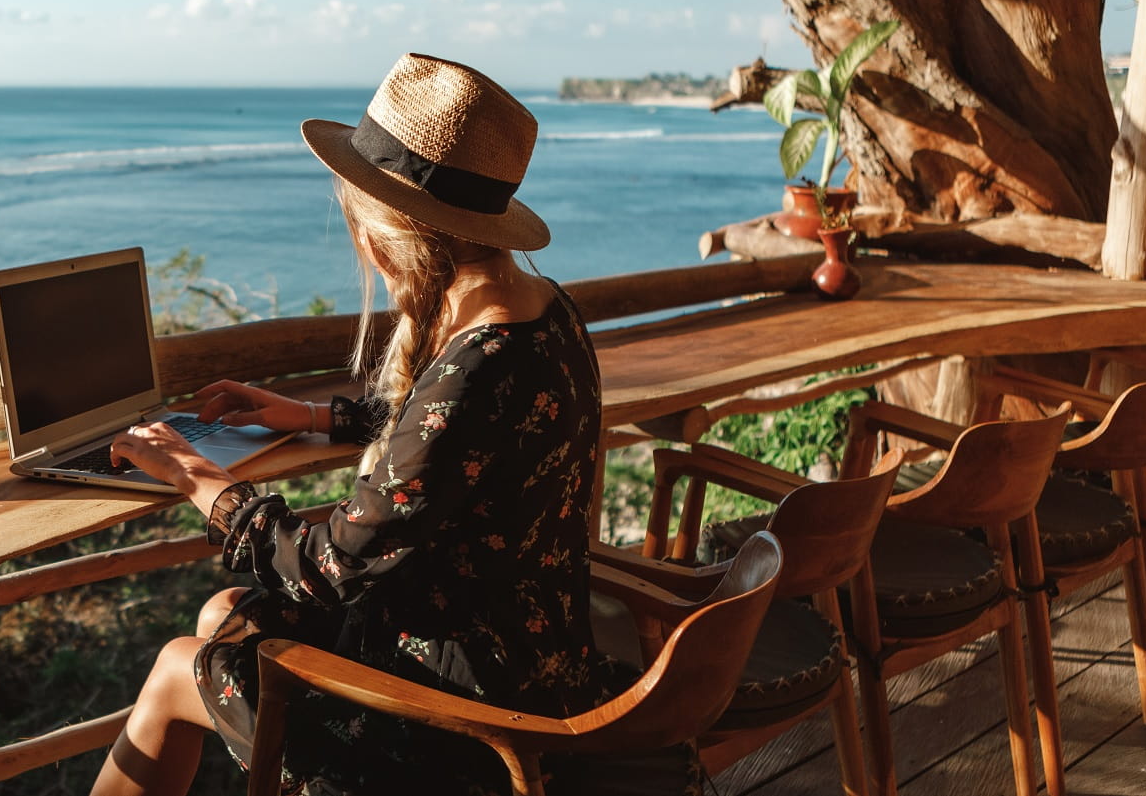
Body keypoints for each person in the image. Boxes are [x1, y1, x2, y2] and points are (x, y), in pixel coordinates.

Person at [91, 54, 701, 796]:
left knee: (171, 675)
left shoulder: (476, 367)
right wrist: (317, 415)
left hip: (462, 727)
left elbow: (327, 570)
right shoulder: (544, 310)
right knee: (223, 611)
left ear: (383, 237)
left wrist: (198, 477)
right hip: (537, 668)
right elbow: (458, 438)